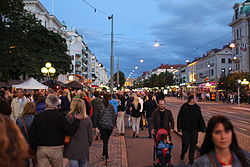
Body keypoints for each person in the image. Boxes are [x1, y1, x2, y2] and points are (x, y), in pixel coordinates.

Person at [29, 94, 83, 167]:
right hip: (56, 148)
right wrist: (76, 121)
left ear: (46, 103)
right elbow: (70, 130)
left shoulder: (38, 117)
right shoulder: (59, 117)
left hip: (41, 148)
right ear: (56, 104)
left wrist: (34, 147)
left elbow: (32, 133)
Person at [177, 95, 206, 165]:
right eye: (195, 98)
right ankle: (183, 152)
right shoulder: (184, 108)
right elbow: (179, 118)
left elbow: (200, 119)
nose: (196, 99)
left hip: (194, 129)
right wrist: (179, 127)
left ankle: (191, 158)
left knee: (193, 144)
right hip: (186, 129)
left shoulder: (197, 108)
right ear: (191, 99)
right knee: (186, 143)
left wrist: (203, 128)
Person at [64, 98, 93, 167]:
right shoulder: (87, 119)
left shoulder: (68, 117)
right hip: (83, 147)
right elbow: (90, 136)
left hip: (71, 148)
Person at [96, 93, 116, 164]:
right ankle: (103, 154)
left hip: (102, 125)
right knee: (106, 141)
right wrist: (113, 123)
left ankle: (106, 156)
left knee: (105, 142)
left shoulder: (101, 106)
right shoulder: (111, 106)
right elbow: (114, 115)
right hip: (110, 126)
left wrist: (97, 124)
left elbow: (99, 115)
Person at [16, 101, 37, 167]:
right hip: (34, 145)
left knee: (24, 163)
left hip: (23, 144)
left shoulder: (19, 119)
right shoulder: (36, 118)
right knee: (35, 162)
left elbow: (17, 134)